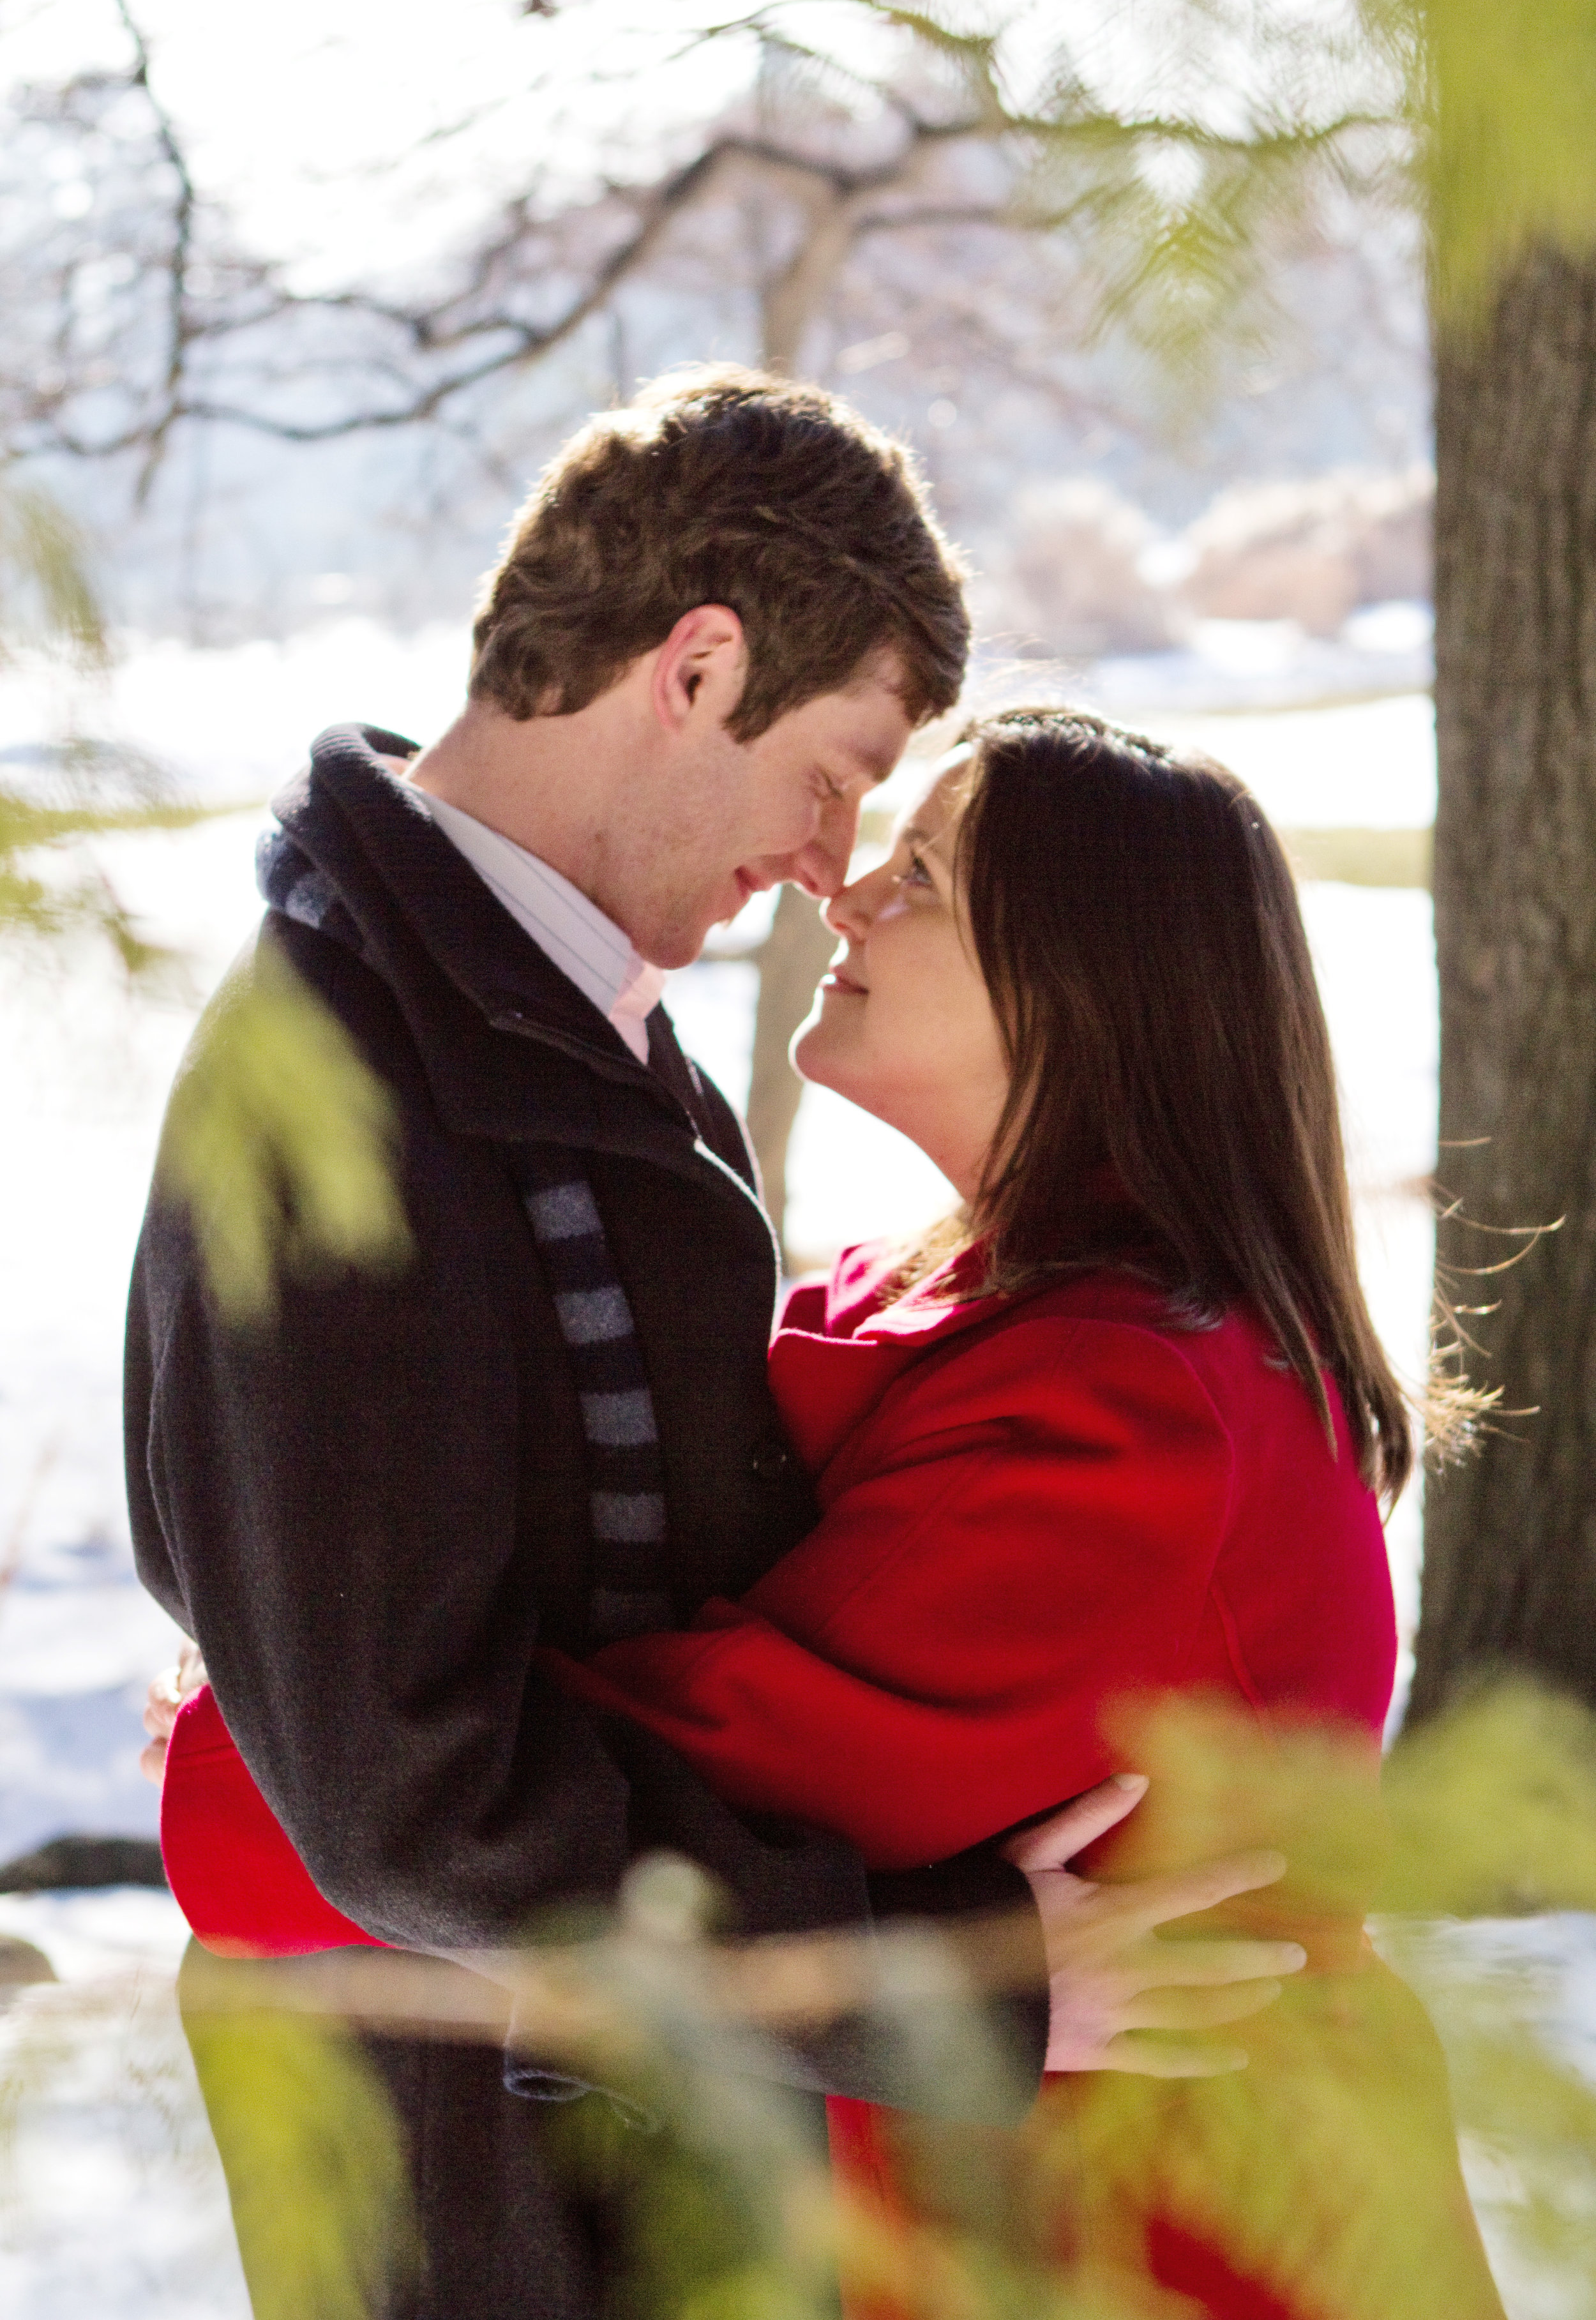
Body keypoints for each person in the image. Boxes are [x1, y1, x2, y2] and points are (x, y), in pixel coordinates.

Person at [129, 375, 1298, 2320]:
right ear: (696, 665)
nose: (833, 857)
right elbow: (407, 1796)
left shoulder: (564, 1022)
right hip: (477, 2191)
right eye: (836, 771)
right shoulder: (334, 1088)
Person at [534, 712, 1506, 2319]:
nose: (841, 897)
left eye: (919, 876)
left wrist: (277, 1747)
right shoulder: (969, 1324)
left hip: (1179, 2240)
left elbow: (645, 1798)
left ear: (1077, 985)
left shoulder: (1114, 1424)